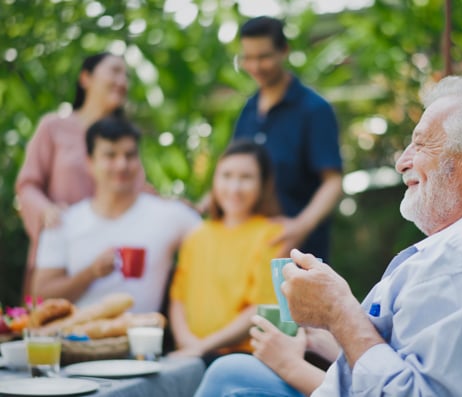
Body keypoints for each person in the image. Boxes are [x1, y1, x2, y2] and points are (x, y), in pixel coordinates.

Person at [197, 76, 462, 396]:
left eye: (420, 143)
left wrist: (341, 310)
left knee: (230, 373)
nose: (400, 162)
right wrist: (337, 334)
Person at [15, 52, 151, 298]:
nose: (123, 82)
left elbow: (139, 192)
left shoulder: (125, 140)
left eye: (126, 76)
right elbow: (27, 185)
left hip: (109, 259)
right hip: (60, 252)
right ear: (86, 78)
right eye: (115, 71)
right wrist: (45, 210)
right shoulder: (53, 127)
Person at [32, 116, 200, 313]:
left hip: (144, 340)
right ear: (89, 163)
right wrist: (90, 273)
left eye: (130, 155)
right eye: (110, 156)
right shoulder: (63, 222)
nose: (122, 165)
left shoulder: (170, 216)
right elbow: (40, 298)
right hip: (76, 340)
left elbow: (219, 244)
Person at [232, 16, 343, 260]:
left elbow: (332, 182)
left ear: (284, 51)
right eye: (248, 58)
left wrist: (301, 226)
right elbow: (233, 169)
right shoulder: (248, 110)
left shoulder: (314, 109)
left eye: (264, 57)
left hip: (300, 253)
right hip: (251, 250)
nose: (255, 66)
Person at [168, 140, 284, 364]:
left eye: (246, 178)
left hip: (242, 358)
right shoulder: (196, 236)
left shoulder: (271, 234)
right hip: (188, 355)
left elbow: (260, 308)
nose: (234, 188)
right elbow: (178, 298)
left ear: (263, 184)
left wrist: (204, 346)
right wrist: (187, 342)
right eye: (227, 176)